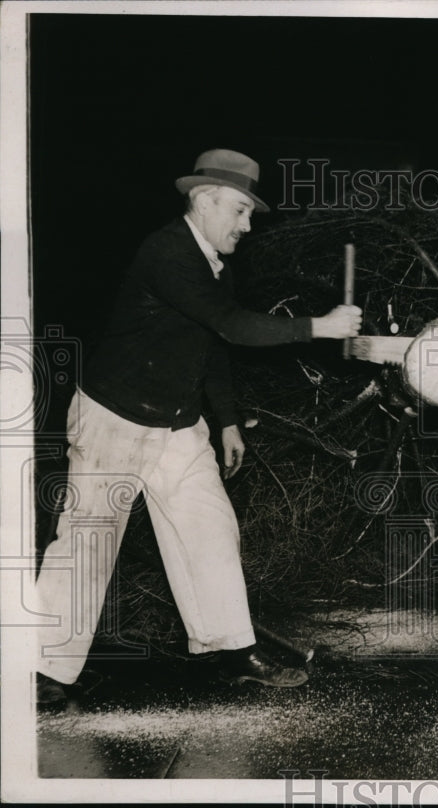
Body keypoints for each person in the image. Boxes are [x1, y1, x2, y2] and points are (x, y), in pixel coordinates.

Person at [34, 149, 362, 704]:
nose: (247, 223)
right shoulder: (167, 252)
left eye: (250, 213)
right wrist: (321, 328)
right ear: (204, 199)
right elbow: (234, 327)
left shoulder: (215, 265)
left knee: (211, 530)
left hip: (179, 425)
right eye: (238, 209)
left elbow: (211, 347)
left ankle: (234, 649)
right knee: (88, 544)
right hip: (115, 418)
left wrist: (228, 421)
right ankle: (44, 670)